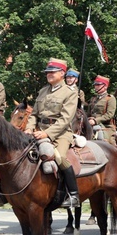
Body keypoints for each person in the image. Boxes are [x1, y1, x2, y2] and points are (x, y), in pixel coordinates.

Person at [26, 58, 80, 208]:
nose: (48, 74)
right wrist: (30, 127)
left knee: (59, 157)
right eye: (47, 72)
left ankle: (73, 195)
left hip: (60, 133)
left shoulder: (69, 92)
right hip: (38, 131)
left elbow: (65, 119)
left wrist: (47, 134)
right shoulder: (43, 91)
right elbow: (34, 114)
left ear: (62, 73)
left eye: (52, 72)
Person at [87, 75, 117, 145]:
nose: (95, 86)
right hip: (90, 124)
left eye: (98, 85)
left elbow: (109, 115)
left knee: (106, 143)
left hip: (106, 126)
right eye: (95, 85)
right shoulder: (93, 98)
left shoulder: (110, 98)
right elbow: (88, 113)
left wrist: (95, 121)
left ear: (105, 86)